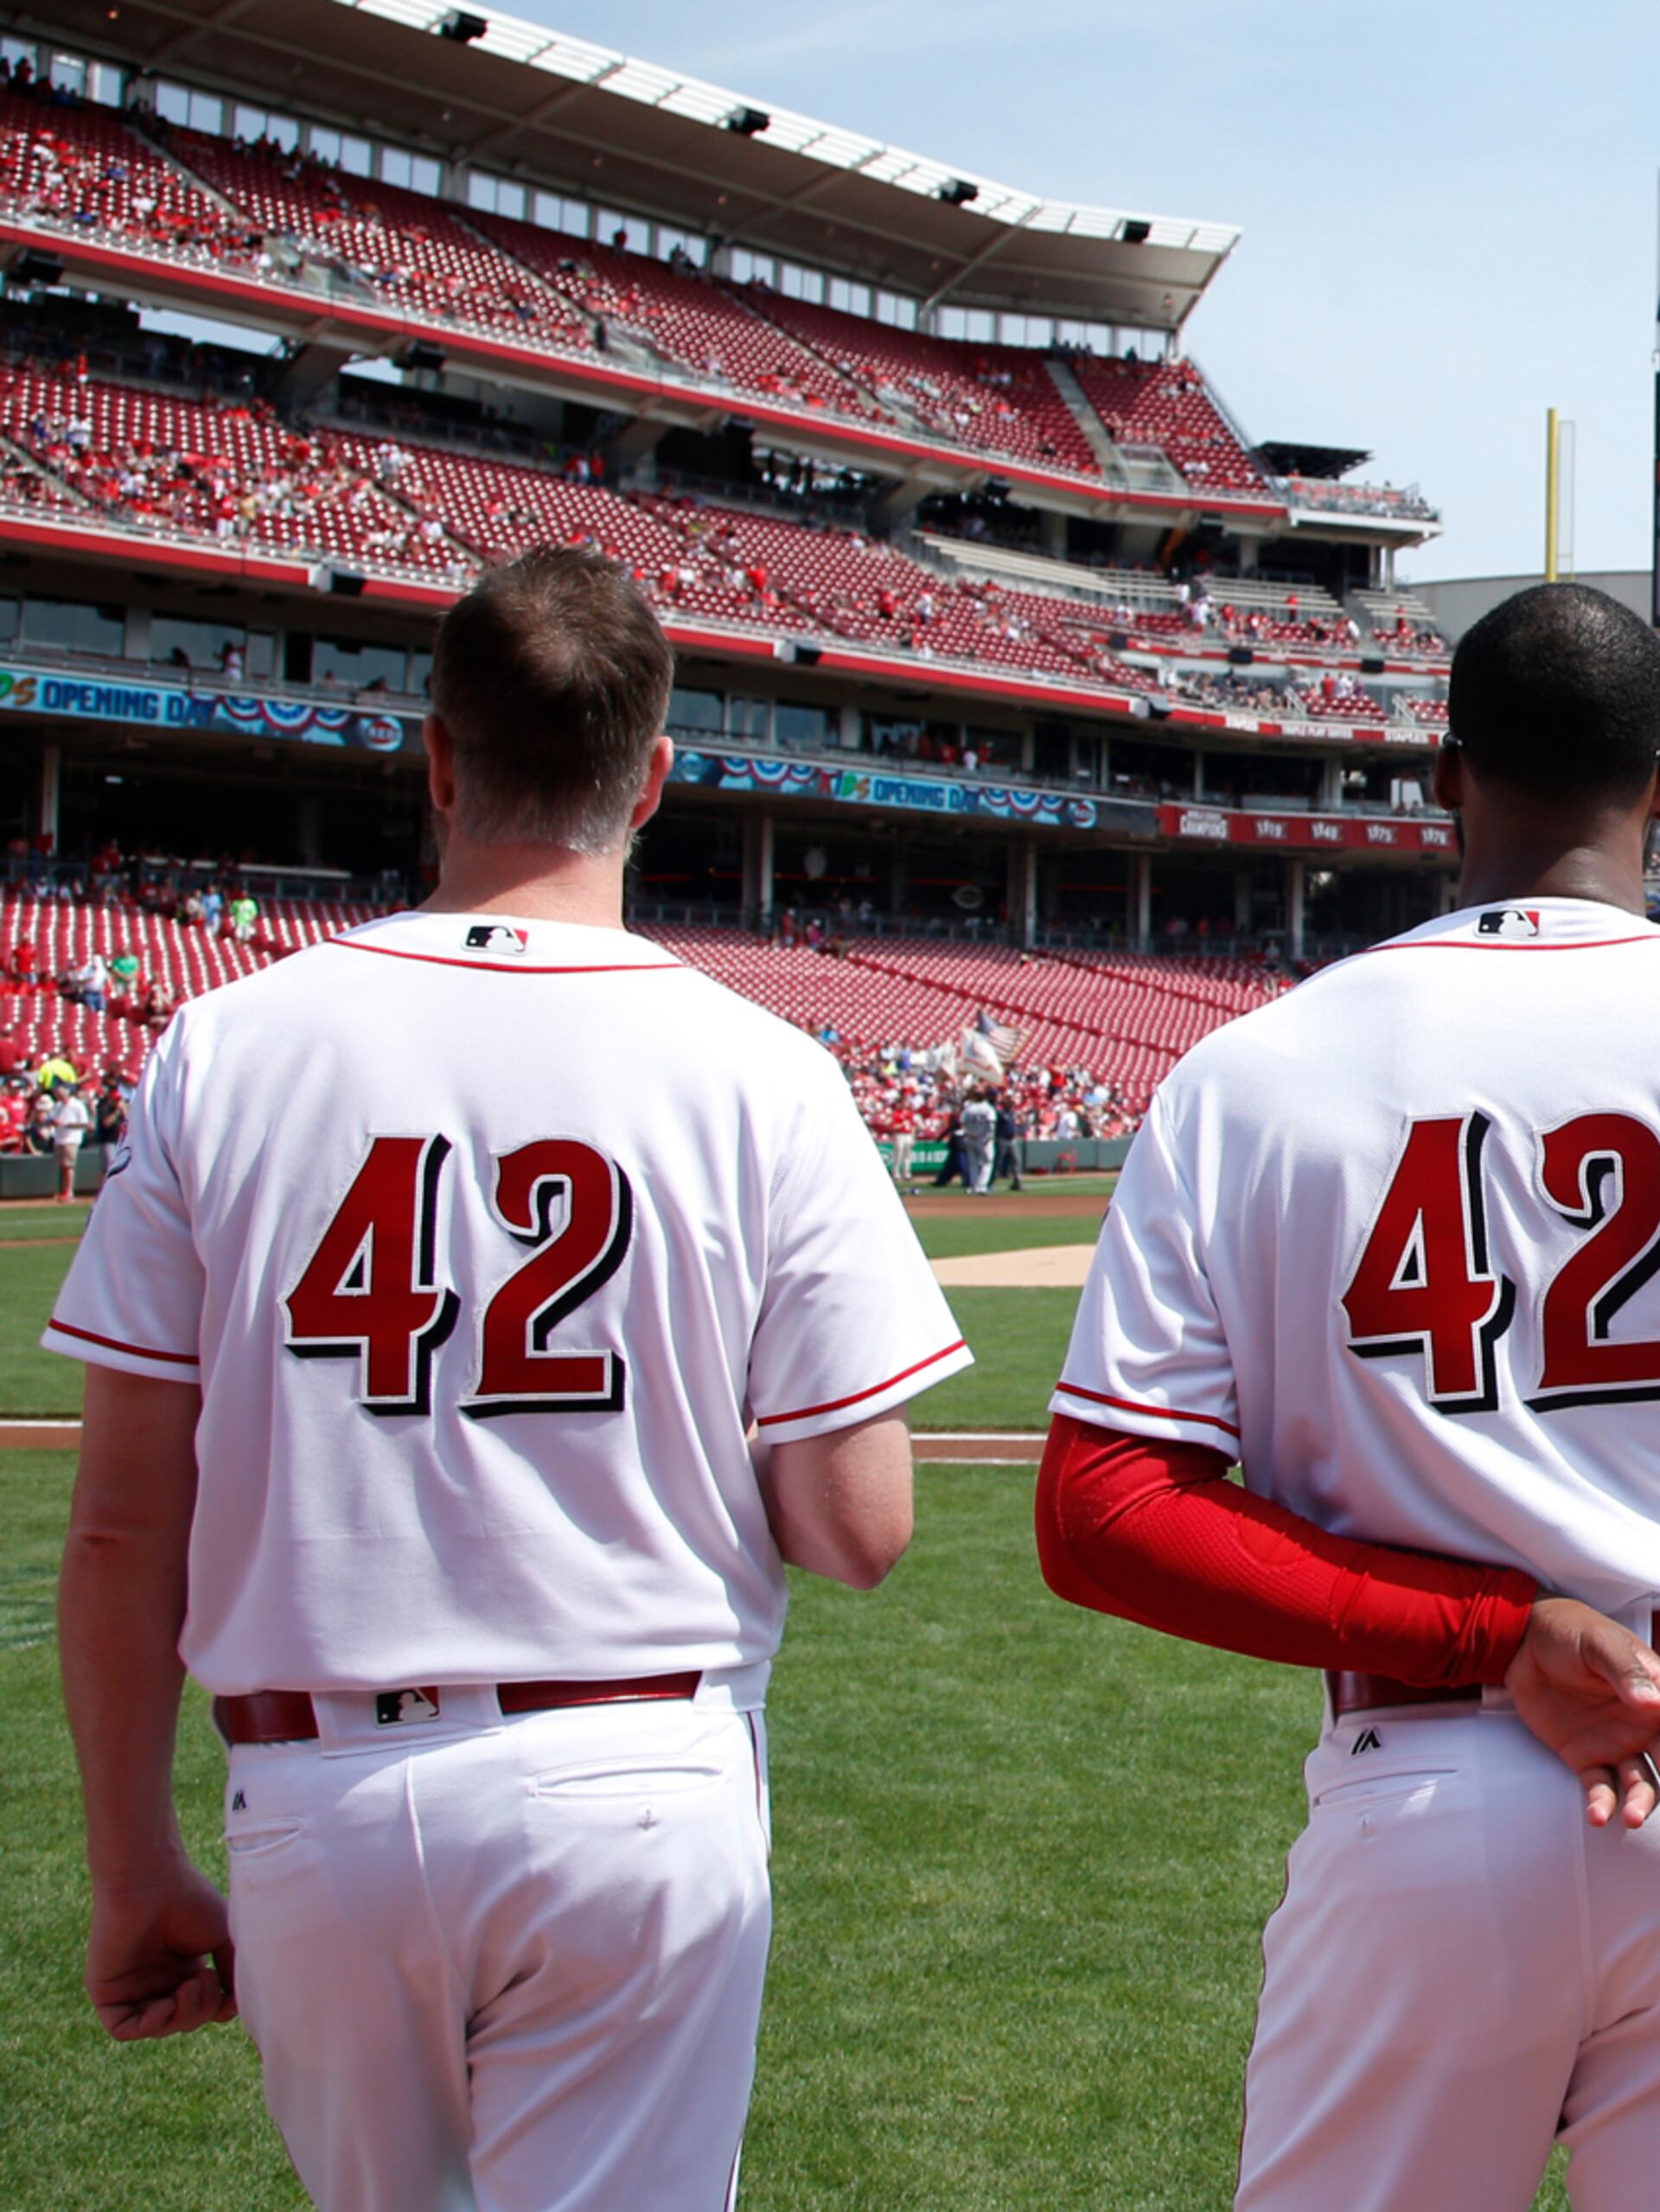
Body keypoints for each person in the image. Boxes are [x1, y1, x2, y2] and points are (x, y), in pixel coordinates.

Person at [1037, 582, 1660, 2212]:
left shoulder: (1254, 1072)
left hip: (1432, 1771)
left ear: (1445, 777)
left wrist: (1501, 1626)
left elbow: (1104, 1515)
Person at [53, 547, 972, 2212]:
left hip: (316, 1779)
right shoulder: (764, 1068)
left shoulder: (229, 1041)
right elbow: (858, 1524)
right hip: (636, 1769)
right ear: (661, 778)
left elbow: (121, 1525)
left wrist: (131, 1862)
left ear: (437, 755)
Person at [47, 1077, 92, 1200]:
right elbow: (49, 1119)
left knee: (69, 1166)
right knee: (62, 1166)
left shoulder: (77, 1105)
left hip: (71, 1138)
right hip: (59, 1138)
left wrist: (65, 1124)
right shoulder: (57, 1106)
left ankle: (69, 1191)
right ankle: (62, 1190)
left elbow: (85, 1124)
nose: (56, 1093)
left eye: (58, 1090)